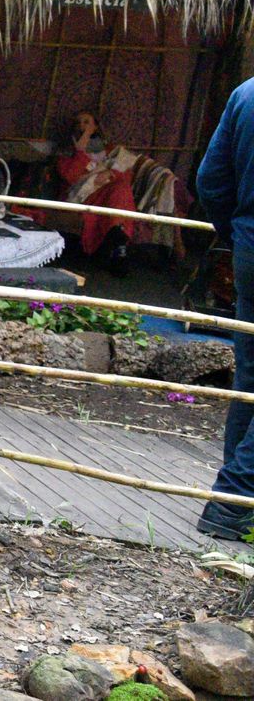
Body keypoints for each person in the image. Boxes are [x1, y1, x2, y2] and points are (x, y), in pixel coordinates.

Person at [194, 76, 254, 539]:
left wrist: (238, 233)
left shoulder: (246, 93)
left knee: (250, 376)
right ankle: (232, 501)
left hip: (250, 245)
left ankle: (238, 504)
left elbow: (210, 180)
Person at [55, 110, 136, 272]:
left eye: (86, 122)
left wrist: (109, 173)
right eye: (78, 123)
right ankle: (119, 243)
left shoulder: (110, 149)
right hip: (84, 196)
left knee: (121, 188)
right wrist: (80, 150)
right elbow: (71, 177)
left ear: (95, 127)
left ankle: (117, 237)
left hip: (108, 192)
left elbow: (126, 171)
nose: (82, 126)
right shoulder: (66, 151)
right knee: (119, 193)